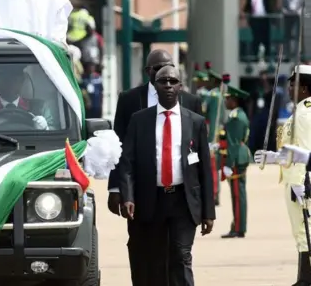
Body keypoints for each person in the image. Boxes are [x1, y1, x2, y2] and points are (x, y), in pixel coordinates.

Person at [105, 50, 201, 285]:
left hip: (177, 191)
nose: (165, 75)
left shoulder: (190, 101)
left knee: (178, 252)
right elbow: (119, 146)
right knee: (142, 248)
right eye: (158, 69)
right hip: (140, 191)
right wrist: (116, 188)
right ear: (148, 72)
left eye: (169, 67)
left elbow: (196, 150)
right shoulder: (129, 99)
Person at [254, 65, 311, 285]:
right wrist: (274, 158)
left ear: (305, 88)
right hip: (293, 179)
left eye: (293, 84)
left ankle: (305, 280)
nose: (289, 88)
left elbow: (306, 153)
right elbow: (292, 150)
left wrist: (300, 182)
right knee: (300, 232)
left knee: (304, 232)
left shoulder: (305, 115)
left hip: (301, 182)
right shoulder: (299, 112)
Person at [213, 82, 251, 238]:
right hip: (239, 157)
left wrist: (228, 164)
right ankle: (238, 225)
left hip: (236, 159)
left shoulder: (236, 118)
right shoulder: (237, 115)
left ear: (234, 101)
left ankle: (239, 227)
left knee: (237, 194)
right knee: (237, 194)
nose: (226, 101)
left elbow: (234, 144)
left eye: (228, 99)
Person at [0, 65, 55, 130]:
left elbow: (58, 137)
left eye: (14, 80)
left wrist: (45, 128)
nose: (9, 84)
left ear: (22, 82)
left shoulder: (39, 108)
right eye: (5, 79)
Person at [204, 61, 224, 205]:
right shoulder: (221, 96)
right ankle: (216, 193)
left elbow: (204, 113)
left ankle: (212, 193)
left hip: (211, 135)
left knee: (211, 166)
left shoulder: (211, 95)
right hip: (220, 133)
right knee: (215, 167)